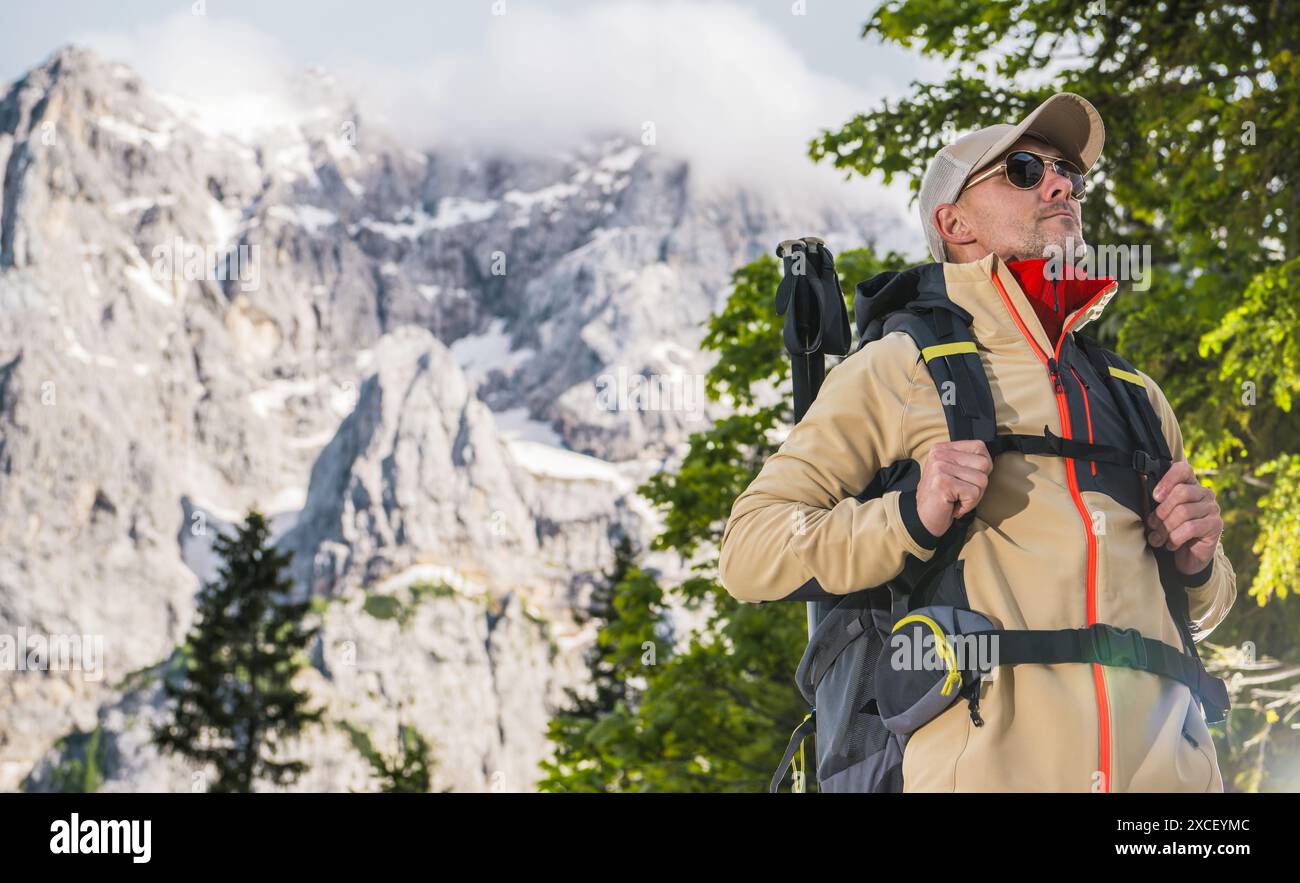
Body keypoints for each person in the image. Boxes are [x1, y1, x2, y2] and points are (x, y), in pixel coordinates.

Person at [718, 93, 1236, 792]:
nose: (1059, 185)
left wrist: (1202, 562)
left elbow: (1205, 608)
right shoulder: (903, 363)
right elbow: (749, 549)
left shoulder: (1133, 393)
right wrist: (909, 515)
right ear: (953, 221)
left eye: (1069, 176)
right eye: (1023, 170)